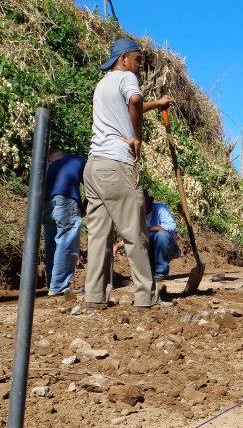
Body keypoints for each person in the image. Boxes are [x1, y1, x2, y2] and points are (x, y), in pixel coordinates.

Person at [83, 38, 174, 309]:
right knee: (136, 233)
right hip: (117, 165)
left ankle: (95, 297)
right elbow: (134, 100)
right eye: (137, 59)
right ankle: (146, 296)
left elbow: (131, 107)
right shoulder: (127, 78)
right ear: (123, 59)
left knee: (99, 236)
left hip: (94, 166)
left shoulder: (103, 85)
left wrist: (157, 104)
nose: (140, 65)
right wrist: (137, 137)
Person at [42, 148, 85, 295]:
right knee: (66, 242)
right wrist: (85, 205)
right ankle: (60, 286)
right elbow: (92, 185)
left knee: (52, 245)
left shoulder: (48, 167)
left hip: (47, 205)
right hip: (66, 202)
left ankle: (52, 284)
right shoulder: (76, 160)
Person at [114, 191, 181, 280]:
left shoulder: (160, 208)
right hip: (148, 249)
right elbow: (133, 236)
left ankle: (160, 272)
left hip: (165, 248)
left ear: (150, 201)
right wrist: (117, 246)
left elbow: (171, 226)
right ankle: (141, 273)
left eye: (144, 201)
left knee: (162, 236)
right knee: (130, 245)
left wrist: (149, 229)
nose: (141, 205)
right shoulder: (135, 215)